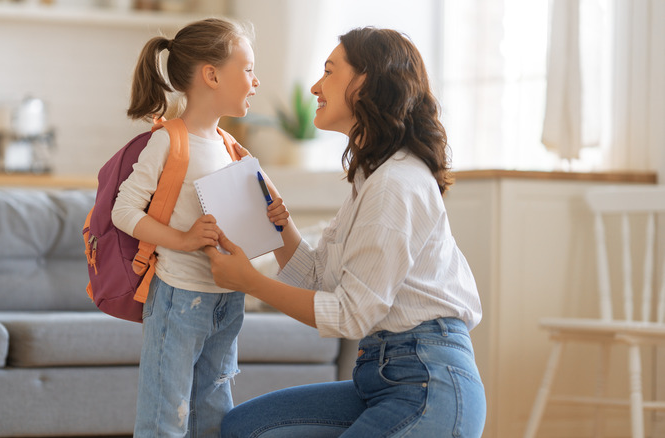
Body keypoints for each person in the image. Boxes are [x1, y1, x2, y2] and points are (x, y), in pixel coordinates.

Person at [204, 27, 486, 437]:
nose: (316, 86)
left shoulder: (396, 184)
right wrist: (280, 226)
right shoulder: (371, 180)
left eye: (330, 72)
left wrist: (250, 282)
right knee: (244, 428)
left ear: (367, 81)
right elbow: (319, 279)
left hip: (427, 381)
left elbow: (351, 315)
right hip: (380, 378)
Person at [110, 18, 265, 438]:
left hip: (227, 301)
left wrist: (270, 221)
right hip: (179, 298)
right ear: (212, 75)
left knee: (213, 415)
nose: (255, 80)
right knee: (165, 417)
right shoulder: (168, 141)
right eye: (248, 69)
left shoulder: (233, 149)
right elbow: (123, 211)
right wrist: (183, 239)